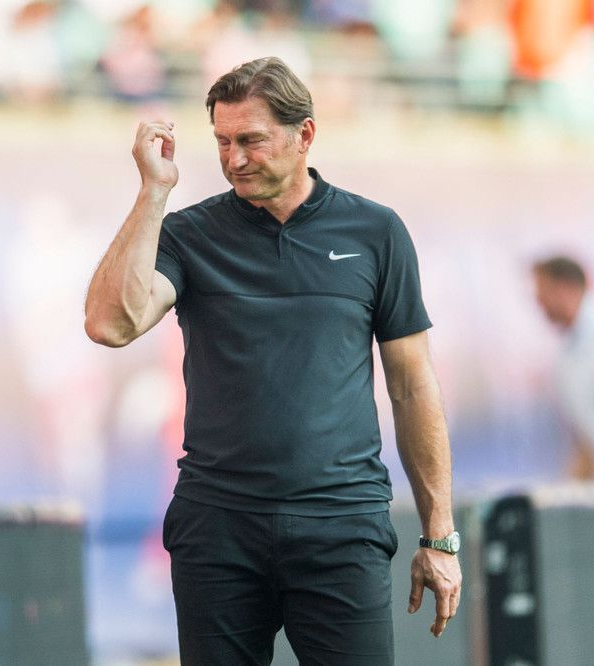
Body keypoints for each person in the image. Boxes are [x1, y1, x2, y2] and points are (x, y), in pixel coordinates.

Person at [84, 57, 461, 664]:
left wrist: (439, 536)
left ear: (304, 134)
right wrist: (153, 192)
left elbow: (413, 387)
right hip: (218, 528)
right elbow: (110, 323)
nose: (234, 159)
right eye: (222, 142)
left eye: (251, 140)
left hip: (342, 527)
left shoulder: (375, 232)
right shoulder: (189, 234)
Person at [532, 256, 594, 479]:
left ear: (565, 287)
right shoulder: (566, 357)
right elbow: (584, 440)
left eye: (543, 291)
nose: (538, 301)